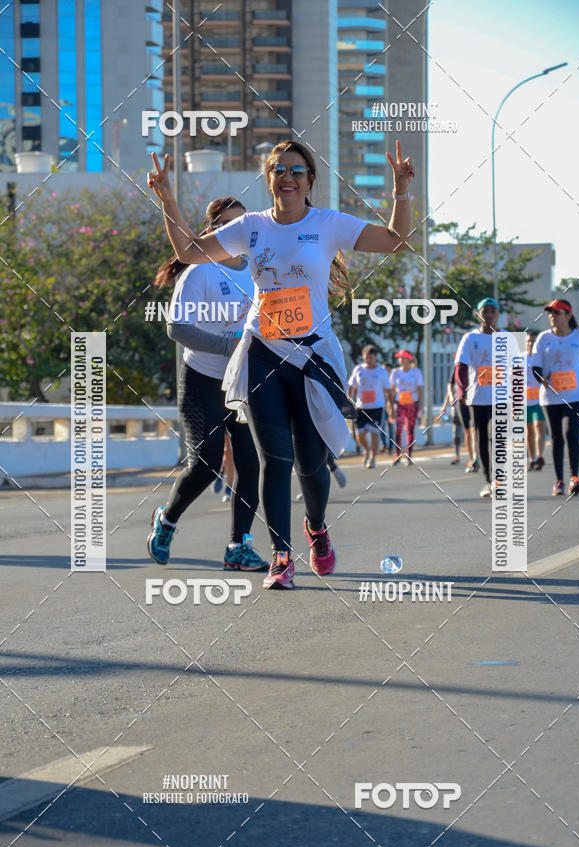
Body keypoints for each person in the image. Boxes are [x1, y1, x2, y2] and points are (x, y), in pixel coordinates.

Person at [148, 139, 414, 589]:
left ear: (310, 180)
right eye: (279, 170)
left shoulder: (327, 224)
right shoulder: (251, 227)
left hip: (313, 354)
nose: (287, 177)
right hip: (263, 351)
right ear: (268, 178)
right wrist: (168, 200)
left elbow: (395, 241)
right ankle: (281, 556)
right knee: (276, 460)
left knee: (311, 463)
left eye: (296, 170)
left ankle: (316, 527)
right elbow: (190, 252)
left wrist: (401, 190)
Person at [146, 196, 268, 571]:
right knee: (207, 463)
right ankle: (166, 521)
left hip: (241, 384)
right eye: (229, 226)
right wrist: (231, 345)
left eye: (243, 225)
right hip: (201, 380)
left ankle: (238, 547)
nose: (238, 233)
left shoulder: (258, 270)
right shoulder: (199, 271)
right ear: (214, 230)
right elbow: (177, 327)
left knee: (250, 464)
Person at [531, 299, 579, 496]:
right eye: (550, 312)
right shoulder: (543, 338)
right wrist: (540, 378)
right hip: (551, 397)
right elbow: (535, 366)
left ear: (568, 315)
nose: (552, 316)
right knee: (557, 438)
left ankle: (574, 477)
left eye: (557, 312)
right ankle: (559, 480)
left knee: (571, 432)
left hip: (576, 396)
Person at [454, 298, 500, 498]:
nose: (488, 314)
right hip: (477, 398)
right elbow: (461, 366)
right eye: (485, 311)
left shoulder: (507, 337)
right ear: (478, 314)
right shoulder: (470, 338)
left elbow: (517, 368)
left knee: (496, 437)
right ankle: (490, 481)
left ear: (497, 314)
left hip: (501, 398)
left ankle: (499, 478)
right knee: (482, 439)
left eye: (492, 310)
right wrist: (461, 390)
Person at [348, 345, 394, 469]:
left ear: (376, 357)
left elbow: (388, 390)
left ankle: (372, 458)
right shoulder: (358, 370)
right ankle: (367, 450)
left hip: (377, 407)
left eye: (371, 357)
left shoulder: (381, 372)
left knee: (375, 434)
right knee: (359, 434)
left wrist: (391, 406)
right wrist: (347, 401)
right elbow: (352, 387)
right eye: (366, 357)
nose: (369, 359)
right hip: (361, 407)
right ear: (363, 357)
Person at [390, 349, 423, 465]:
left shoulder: (416, 372)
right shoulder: (395, 372)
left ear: (409, 359)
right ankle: (397, 454)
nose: (401, 360)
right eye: (400, 358)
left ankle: (409, 455)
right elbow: (392, 390)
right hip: (399, 404)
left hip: (412, 403)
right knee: (398, 429)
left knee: (410, 429)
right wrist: (390, 405)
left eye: (403, 358)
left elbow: (419, 389)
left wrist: (421, 405)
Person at [525, 329, 547, 471]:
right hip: (523, 401)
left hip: (540, 400)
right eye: (529, 341)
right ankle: (532, 459)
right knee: (529, 431)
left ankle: (539, 455)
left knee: (539, 426)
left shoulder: (542, 359)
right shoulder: (519, 358)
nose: (531, 344)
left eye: (534, 341)